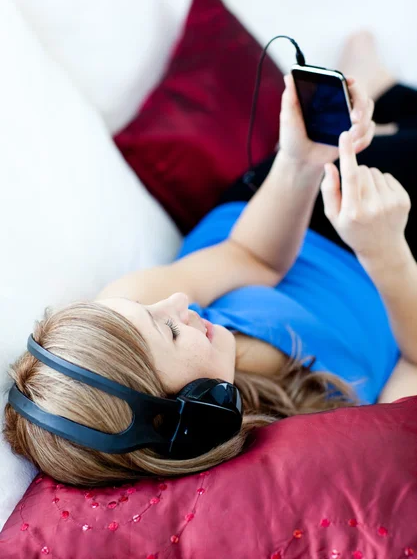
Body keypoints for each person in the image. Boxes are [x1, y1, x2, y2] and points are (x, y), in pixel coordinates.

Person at [3, 32, 417, 487]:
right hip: (391, 267)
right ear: (193, 411)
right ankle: (385, 92)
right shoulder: (303, 444)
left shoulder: (129, 306)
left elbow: (252, 255)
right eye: (172, 331)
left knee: (369, 142)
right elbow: (412, 367)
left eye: (148, 310)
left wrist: (300, 159)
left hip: (283, 224)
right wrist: (385, 252)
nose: (178, 300)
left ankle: (378, 93)